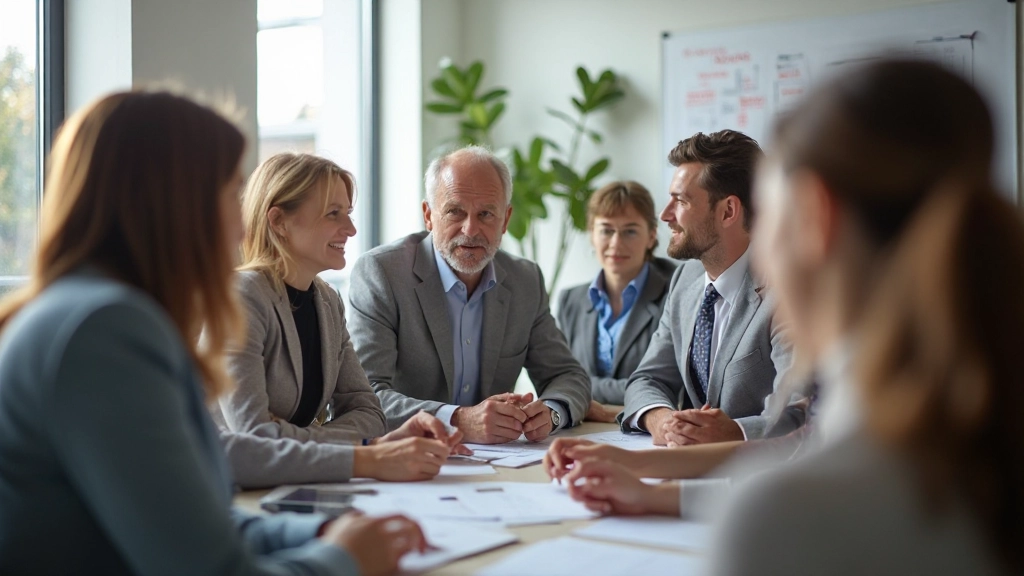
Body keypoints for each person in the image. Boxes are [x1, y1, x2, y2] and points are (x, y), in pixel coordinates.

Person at [549, 60, 1020, 574]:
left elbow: (793, 457)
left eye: (772, 214)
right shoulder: (961, 415)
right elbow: (803, 444)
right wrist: (643, 469)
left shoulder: (779, 517)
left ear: (816, 218)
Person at [0, 90, 425, 576]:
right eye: (230, 195)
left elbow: (196, 517)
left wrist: (319, 533)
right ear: (174, 204)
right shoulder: (105, 332)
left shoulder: (101, 314)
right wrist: (342, 561)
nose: (240, 224)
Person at [213, 152, 465, 487]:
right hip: (233, 494)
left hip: (299, 484)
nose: (351, 228)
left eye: (347, 212)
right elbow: (256, 438)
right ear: (278, 221)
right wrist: (363, 450)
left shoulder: (327, 301)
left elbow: (370, 414)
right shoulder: (241, 296)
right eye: (334, 214)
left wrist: (315, 437)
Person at [348, 146, 590, 444]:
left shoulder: (525, 280)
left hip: (499, 465)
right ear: (428, 215)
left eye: (486, 214)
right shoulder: (382, 273)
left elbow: (568, 375)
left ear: (505, 220)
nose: (471, 229)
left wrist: (551, 413)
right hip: (408, 459)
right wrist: (457, 420)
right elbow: (364, 396)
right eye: (455, 211)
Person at [619, 130, 796, 445]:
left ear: (728, 211)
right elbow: (646, 379)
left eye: (681, 200)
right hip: (686, 470)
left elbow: (799, 408)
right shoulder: (685, 279)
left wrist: (737, 432)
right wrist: (661, 419)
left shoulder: (787, 290)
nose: (664, 215)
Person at [556, 180, 676, 423]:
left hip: (648, 433)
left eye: (630, 231)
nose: (616, 243)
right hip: (585, 430)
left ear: (652, 236)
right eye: (606, 230)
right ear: (592, 235)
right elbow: (558, 381)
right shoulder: (571, 300)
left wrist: (584, 390)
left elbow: (670, 388)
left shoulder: (676, 291)